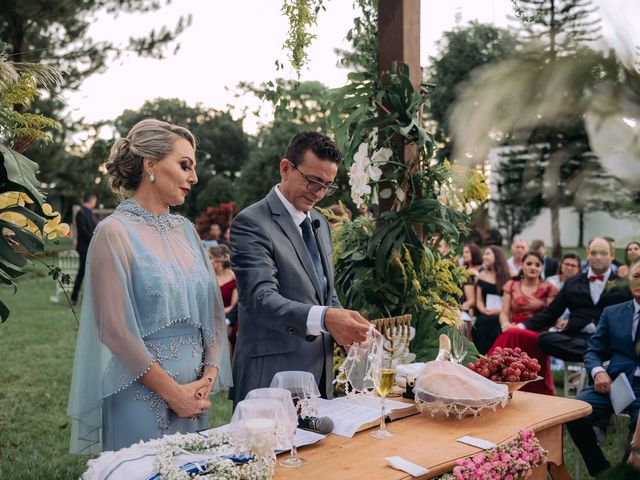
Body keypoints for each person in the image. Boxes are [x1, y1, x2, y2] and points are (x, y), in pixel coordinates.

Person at [67, 119, 232, 455]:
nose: (193, 178)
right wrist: (174, 393)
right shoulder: (113, 233)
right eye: (184, 165)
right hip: (140, 396)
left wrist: (208, 377)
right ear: (151, 164)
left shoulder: (187, 231)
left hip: (196, 394)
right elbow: (114, 331)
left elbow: (214, 313)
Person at [230, 131, 371, 405]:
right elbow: (261, 299)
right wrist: (328, 318)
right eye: (312, 180)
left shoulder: (319, 223)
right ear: (285, 168)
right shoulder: (251, 222)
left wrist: (349, 330)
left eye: (327, 185)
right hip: (269, 381)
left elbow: (325, 297)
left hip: (318, 381)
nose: (319, 192)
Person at [566, 260, 640, 477]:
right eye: (636, 275)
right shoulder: (612, 313)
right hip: (615, 385)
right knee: (573, 412)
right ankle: (601, 469)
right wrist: (599, 372)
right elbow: (593, 351)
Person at [519, 237, 632, 362]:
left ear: (612, 255)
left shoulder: (625, 285)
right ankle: (595, 353)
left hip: (607, 337)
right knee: (543, 339)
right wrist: (522, 325)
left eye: (603, 253)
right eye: (594, 253)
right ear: (588, 255)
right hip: (575, 338)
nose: (598, 257)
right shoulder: (572, 282)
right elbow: (552, 312)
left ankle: (596, 354)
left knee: (621, 344)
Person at [490, 251, 558, 395]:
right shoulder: (511, 284)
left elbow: (551, 315)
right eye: (529, 263)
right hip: (512, 328)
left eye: (537, 265)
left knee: (512, 333)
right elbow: (503, 312)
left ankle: (488, 369)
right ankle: (495, 378)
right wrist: (505, 325)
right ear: (522, 265)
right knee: (510, 332)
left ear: (542, 268)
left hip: (537, 333)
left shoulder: (549, 287)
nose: (533, 267)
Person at [473, 245, 511, 354]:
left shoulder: (509, 275)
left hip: (503, 314)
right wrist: (483, 309)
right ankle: (480, 356)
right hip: (485, 313)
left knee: (496, 324)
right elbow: (479, 299)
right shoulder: (482, 276)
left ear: (497, 256)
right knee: (480, 323)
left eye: (488, 254)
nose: (484, 257)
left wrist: (500, 311)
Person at [209, 245, 239, 354]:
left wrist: (217, 313)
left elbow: (233, 306)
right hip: (209, 315)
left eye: (210, 258)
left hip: (226, 316)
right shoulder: (209, 277)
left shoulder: (233, 278)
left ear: (219, 259)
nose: (208, 261)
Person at [70, 193, 98, 306]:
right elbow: (84, 231)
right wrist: (94, 239)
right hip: (84, 248)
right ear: (91, 200)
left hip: (90, 247)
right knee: (82, 273)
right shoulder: (81, 213)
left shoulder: (90, 213)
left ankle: (87, 298)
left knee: (90, 274)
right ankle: (74, 298)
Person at [461, 243, 482, 314]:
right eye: (463, 253)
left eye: (467, 252)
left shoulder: (483, 270)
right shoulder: (463, 270)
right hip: (466, 307)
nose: (464, 255)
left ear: (474, 253)